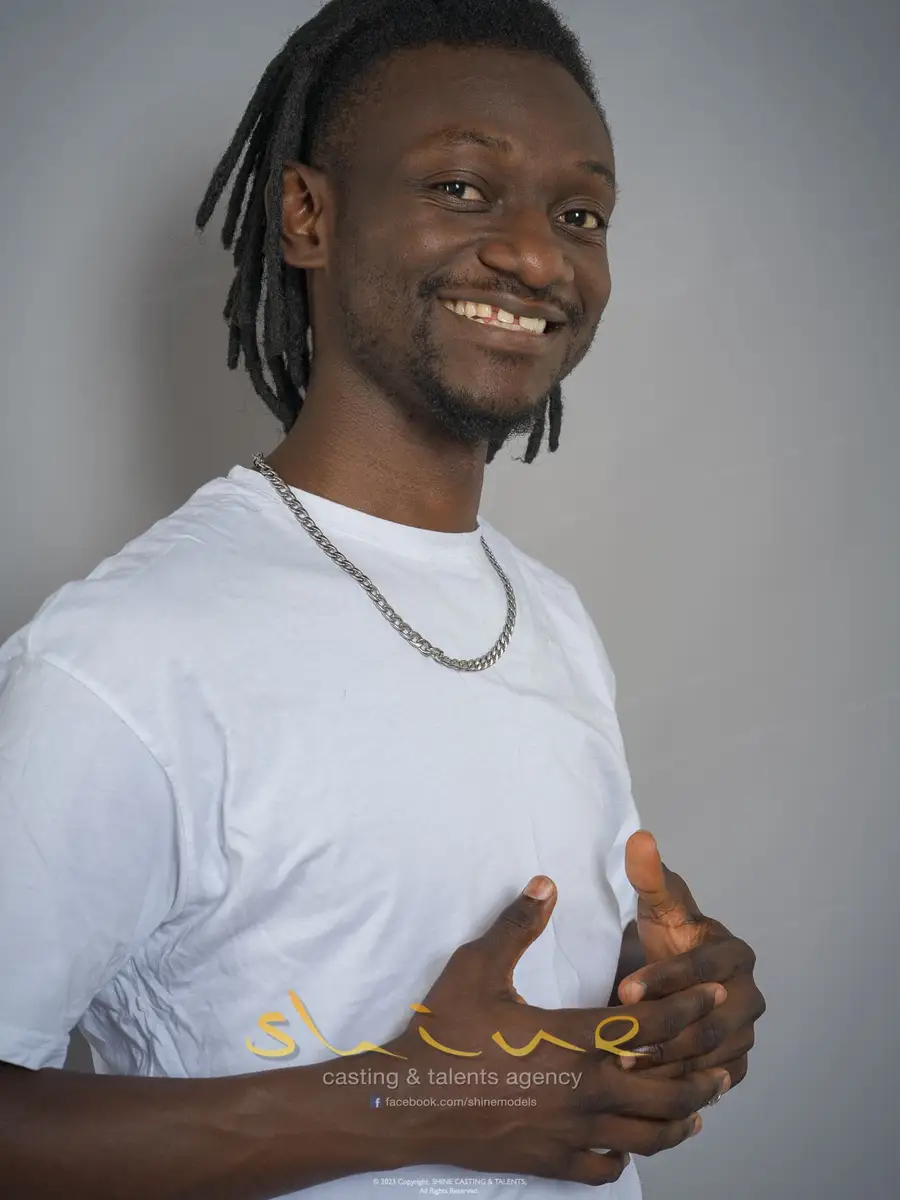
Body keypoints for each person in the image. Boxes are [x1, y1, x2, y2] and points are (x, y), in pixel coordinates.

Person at [0, 1, 765, 1197]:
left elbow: (479, 966)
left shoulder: (549, 612)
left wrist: (668, 992)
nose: (537, 256)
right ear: (308, 215)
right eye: (463, 188)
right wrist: (399, 1105)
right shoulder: (124, 658)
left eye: (579, 214)